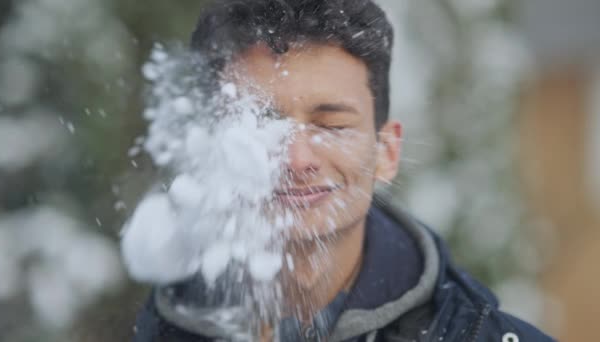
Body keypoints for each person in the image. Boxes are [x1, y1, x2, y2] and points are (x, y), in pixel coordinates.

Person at [133, 0, 555, 341]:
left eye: (331, 126)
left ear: (387, 152)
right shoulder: (161, 327)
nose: (297, 160)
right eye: (259, 127)